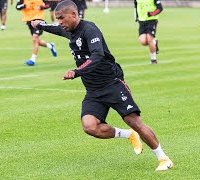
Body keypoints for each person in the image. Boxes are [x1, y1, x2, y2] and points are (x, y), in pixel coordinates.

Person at [31, 0, 173, 171]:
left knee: (133, 121)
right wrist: (42, 24)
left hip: (112, 84)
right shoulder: (69, 30)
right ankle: (129, 135)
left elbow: (97, 56)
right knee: (89, 126)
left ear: (74, 15)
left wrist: (76, 71)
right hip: (93, 90)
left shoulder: (90, 30)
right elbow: (56, 28)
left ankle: (163, 158)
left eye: (62, 18)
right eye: (57, 18)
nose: (60, 22)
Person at [16, 0, 57, 66]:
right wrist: (23, 6)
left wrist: (42, 7)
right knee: (37, 41)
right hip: (29, 21)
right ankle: (50, 46)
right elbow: (17, 6)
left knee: (35, 38)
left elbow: (48, 4)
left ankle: (32, 60)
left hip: (39, 20)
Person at [134, 0, 163, 64]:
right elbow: (136, 6)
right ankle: (154, 42)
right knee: (143, 42)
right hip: (141, 21)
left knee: (149, 39)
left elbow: (160, 8)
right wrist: (136, 17)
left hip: (152, 20)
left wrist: (151, 14)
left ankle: (153, 60)